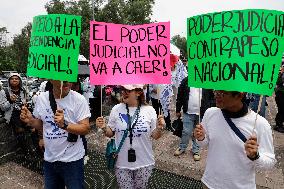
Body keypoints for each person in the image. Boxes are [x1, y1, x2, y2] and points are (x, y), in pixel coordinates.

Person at [194, 90, 276, 189]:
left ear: (239, 95)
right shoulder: (210, 113)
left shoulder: (260, 124)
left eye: (222, 93)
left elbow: (270, 162)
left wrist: (255, 156)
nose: (216, 96)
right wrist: (201, 138)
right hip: (209, 183)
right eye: (215, 92)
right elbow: (205, 143)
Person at [20, 80, 91, 189]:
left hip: (73, 160)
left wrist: (65, 125)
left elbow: (85, 128)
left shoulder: (79, 99)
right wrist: (30, 121)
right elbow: (42, 124)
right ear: (51, 79)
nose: (67, 81)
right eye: (62, 78)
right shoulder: (41, 98)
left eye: (69, 77)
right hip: (50, 159)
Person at [96, 84, 165, 189]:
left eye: (128, 90)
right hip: (121, 163)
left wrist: (159, 128)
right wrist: (104, 127)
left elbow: (155, 136)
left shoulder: (149, 110)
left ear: (138, 92)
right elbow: (111, 133)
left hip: (144, 162)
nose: (123, 92)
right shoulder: (116, 109)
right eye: (123, 89)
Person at [174, 77, 202, 161]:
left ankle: (196, 150)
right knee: (186, 131)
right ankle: (182, 147)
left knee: (198, 132)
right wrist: (178, 109)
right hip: (188, 112)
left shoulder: (207, 80)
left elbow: (211, 97)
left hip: (201, 113)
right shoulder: (186, 80)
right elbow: (180, 95)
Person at [0, 73, 28, 141]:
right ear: (9, 81)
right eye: (12, 79)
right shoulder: (3, 92)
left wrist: (27, 104)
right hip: (12, 116)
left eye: (16, 79)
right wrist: (10, 101)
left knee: (32, 128)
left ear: (20, 80)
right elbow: (3, 108)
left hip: (24, 114)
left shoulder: (24, 91)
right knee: (20, 133)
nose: (14, 80)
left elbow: (29, 102)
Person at [274, 62, 284, 133]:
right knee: (282, 109)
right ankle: (278, 125)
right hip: (281, 93)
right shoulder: (281, 68)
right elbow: (277, 81)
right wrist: (281, 72)